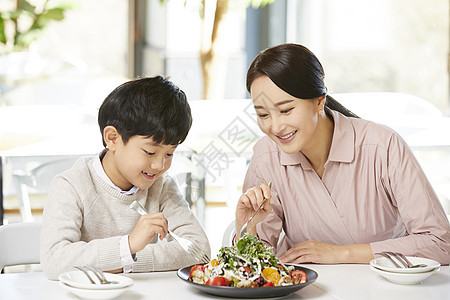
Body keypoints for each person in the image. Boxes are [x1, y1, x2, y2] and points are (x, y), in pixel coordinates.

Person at [235, 43, 450, 265]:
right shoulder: (265, 157)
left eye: (286, 110)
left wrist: (341, 254)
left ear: (319, 102)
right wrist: (247, 228)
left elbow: (440, 242)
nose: (276, 127)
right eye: (263, 115)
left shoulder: (382, 147)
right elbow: (251, 267)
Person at [40, 76, 210, 280]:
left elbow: (199, 251)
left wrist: (128, 259)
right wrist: (128, 245)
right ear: (112, 138)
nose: (159, 166)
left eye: (169, 153)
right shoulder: (71, 185)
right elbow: (55, 261)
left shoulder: (162, 186)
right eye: (149, 152)